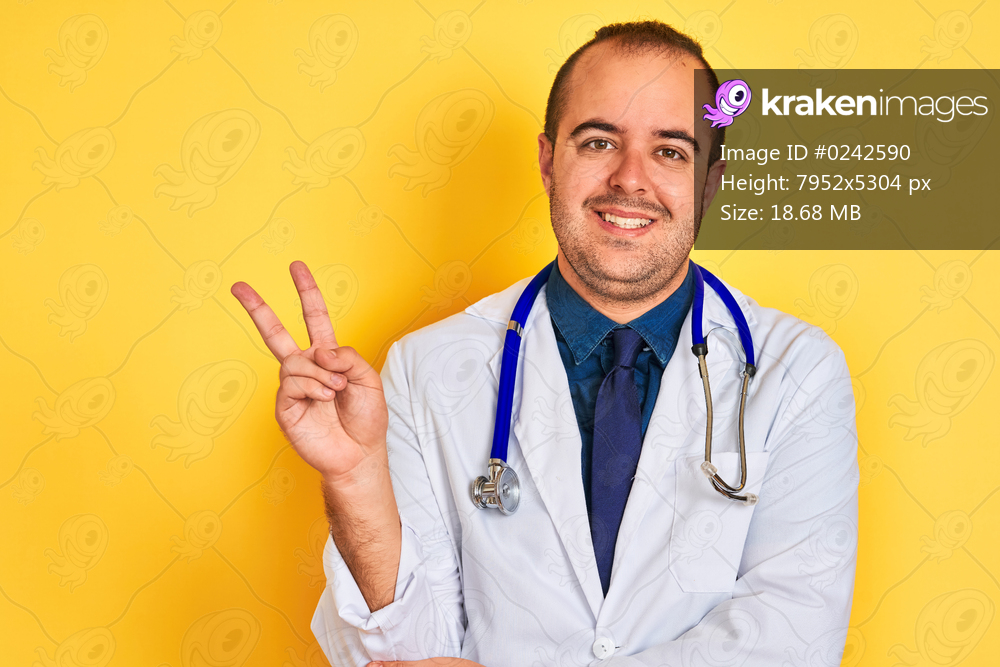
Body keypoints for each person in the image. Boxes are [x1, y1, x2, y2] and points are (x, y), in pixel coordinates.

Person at [231, 20, 859, 667]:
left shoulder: (796, 371)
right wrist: (356, 479)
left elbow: (792, 641)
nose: (630, 178)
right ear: (547, 160)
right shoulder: (425, 368)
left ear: (710, 181)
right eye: (598, 142)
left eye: (671, 150)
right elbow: (409, 655)